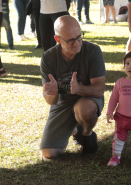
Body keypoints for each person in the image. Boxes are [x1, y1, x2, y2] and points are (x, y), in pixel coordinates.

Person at [40, 15, 106, 159]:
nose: (77, 43)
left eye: (79, 37)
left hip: (87, 99)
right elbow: (51, 101)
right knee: (49, 153)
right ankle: (76, 130)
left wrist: (79, 89)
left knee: (85, 108)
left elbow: (100, 89)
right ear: (57, 39)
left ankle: (87, 133)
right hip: (63, 102)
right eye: (70, 40)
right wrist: (52, 92)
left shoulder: (93, 51)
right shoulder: (48, 58)